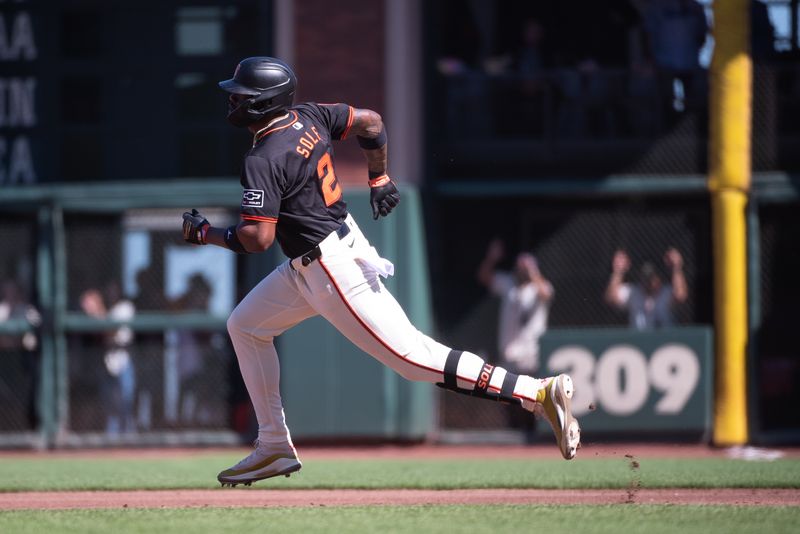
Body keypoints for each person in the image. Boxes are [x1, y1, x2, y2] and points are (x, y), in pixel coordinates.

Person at [181, 56, 581, 487]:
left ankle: (536, 392)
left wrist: (207, 235)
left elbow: (257, 239)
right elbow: (371, 122)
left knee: (412, 358)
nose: (232, 100)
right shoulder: (309, 115)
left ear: (262, 103)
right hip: (321, 256)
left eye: (240, 95)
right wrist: (379, 177)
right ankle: (274, 443)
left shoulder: (263, 156)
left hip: (329, 267)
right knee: (245, 325)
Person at [477, 239, 554, 375]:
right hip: (509, 355)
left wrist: (532, 272)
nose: (522, 272)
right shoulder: (508, 283)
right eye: (520, 269)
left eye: (524, 270)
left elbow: (546, 294)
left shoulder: (538, 287)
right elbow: (484, 277)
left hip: (531, 356)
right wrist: (491, 258)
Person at [80, 281, 137, 435]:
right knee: (110, 406)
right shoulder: (108, 311)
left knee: (125, 404)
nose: (112, 294)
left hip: (123, 362)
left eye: (115, 290)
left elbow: (110, 329)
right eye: (109, 291)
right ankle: (111, 440)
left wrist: (96, 311)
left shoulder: (125, 307)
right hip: (107, 363)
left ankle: (129, 440)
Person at [605, 247, 688, 329]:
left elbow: (680, 296)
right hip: (638, 339)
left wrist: (676, 268)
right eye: (645, 278)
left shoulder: (666, 292)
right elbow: (611, 298)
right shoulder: (633, 292)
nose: (648, 283)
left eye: (651, 279)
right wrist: (618, 271)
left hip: (665, 339)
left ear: (659, 278)